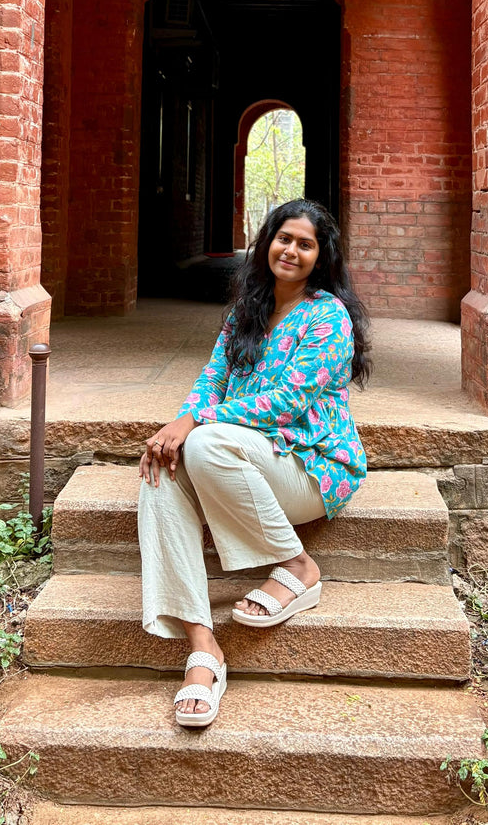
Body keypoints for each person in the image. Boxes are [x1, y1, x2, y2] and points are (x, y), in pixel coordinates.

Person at [137, 197, 371, 727]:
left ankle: (295, 565)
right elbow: (211, 379)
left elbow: (286, 402)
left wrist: (195, 425)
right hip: (245, 460)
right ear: (266, 242)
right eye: (283, 238)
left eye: (305, 244)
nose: (291, 250)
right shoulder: (248, 308)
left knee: (202, 443)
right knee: (159, 471)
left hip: (311, 468)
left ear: (321, 257)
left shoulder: (327, 316)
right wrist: (180, 423)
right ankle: (203, 646)